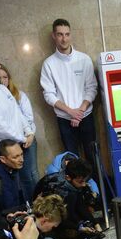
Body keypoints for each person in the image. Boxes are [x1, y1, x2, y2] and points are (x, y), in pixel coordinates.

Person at [40, 19, 98, 164]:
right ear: (54, 36)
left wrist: (79, 112)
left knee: (93, 156)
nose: (64, 39)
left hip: (86, 116)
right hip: (64, 120)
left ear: (71, 35)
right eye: (60, 34)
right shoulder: (49, 64)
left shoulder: (84, 59)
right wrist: (70, 112)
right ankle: (78, 187)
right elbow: (48, 95)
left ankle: (95, 186)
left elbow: (92, 87)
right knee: (72, 160)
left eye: (67, 34)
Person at [0, 63, 39, 198]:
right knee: (18, 179)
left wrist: (30, 135)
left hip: (27, 140)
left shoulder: (19, 95)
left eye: (5, 77)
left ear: (9, 79)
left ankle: (39, 203)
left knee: (31, 174)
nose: (2, 80)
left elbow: (28, 119)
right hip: (10, 145)